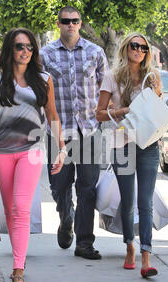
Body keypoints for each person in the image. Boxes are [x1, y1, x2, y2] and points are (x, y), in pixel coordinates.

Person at [0, 28, 66, 282]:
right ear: (10, 50)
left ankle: (17, 269)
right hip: (2, 152)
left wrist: (61, 147)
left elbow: (53, 117)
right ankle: (19, 258)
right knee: (11, 210)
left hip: (32, 151)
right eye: (19, 47)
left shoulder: (43, 80)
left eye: (29, 47)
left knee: (22, 209)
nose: (25, 52)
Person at [40, 5, 108, 260]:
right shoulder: (45, 55)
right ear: (58, 23)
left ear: (80, 23)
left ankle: (84, 243)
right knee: (59, 185)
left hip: (89, 131)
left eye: (74, 20)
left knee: (87, 188)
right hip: (58, 131)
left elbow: (106, 89)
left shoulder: (96, 52)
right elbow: (39, 93)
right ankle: (65, 218)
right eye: (65, 20)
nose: (70, 24)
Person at [96, 33, 162, 278]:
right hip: (121, 144)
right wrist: (123, 110)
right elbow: (100, 114)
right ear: (126, 49)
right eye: (135, 46)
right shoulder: (112, 77)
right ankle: (129, 247)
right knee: (128, 201)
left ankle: (146, 256)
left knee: (146, 202)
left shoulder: (152, 78)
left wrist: (155, 94)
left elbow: (157, 109)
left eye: (144, 48)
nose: (139, 51)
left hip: (148, 144)